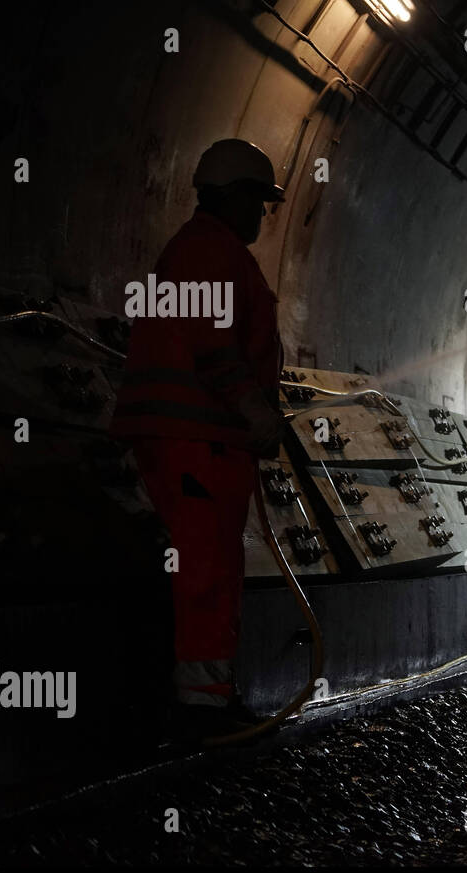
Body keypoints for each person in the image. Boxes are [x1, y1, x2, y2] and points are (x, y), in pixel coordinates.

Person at [110, 139, 288, 740]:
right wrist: (252, 409)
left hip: (197, 437)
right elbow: (214, 344)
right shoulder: (210, 252)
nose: (262, 215)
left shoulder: (206, 251)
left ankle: (207, 696)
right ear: (234, 195)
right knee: (207, 563)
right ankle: (200, 707)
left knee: (210, 559)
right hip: (195, 436)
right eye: (259, 202)